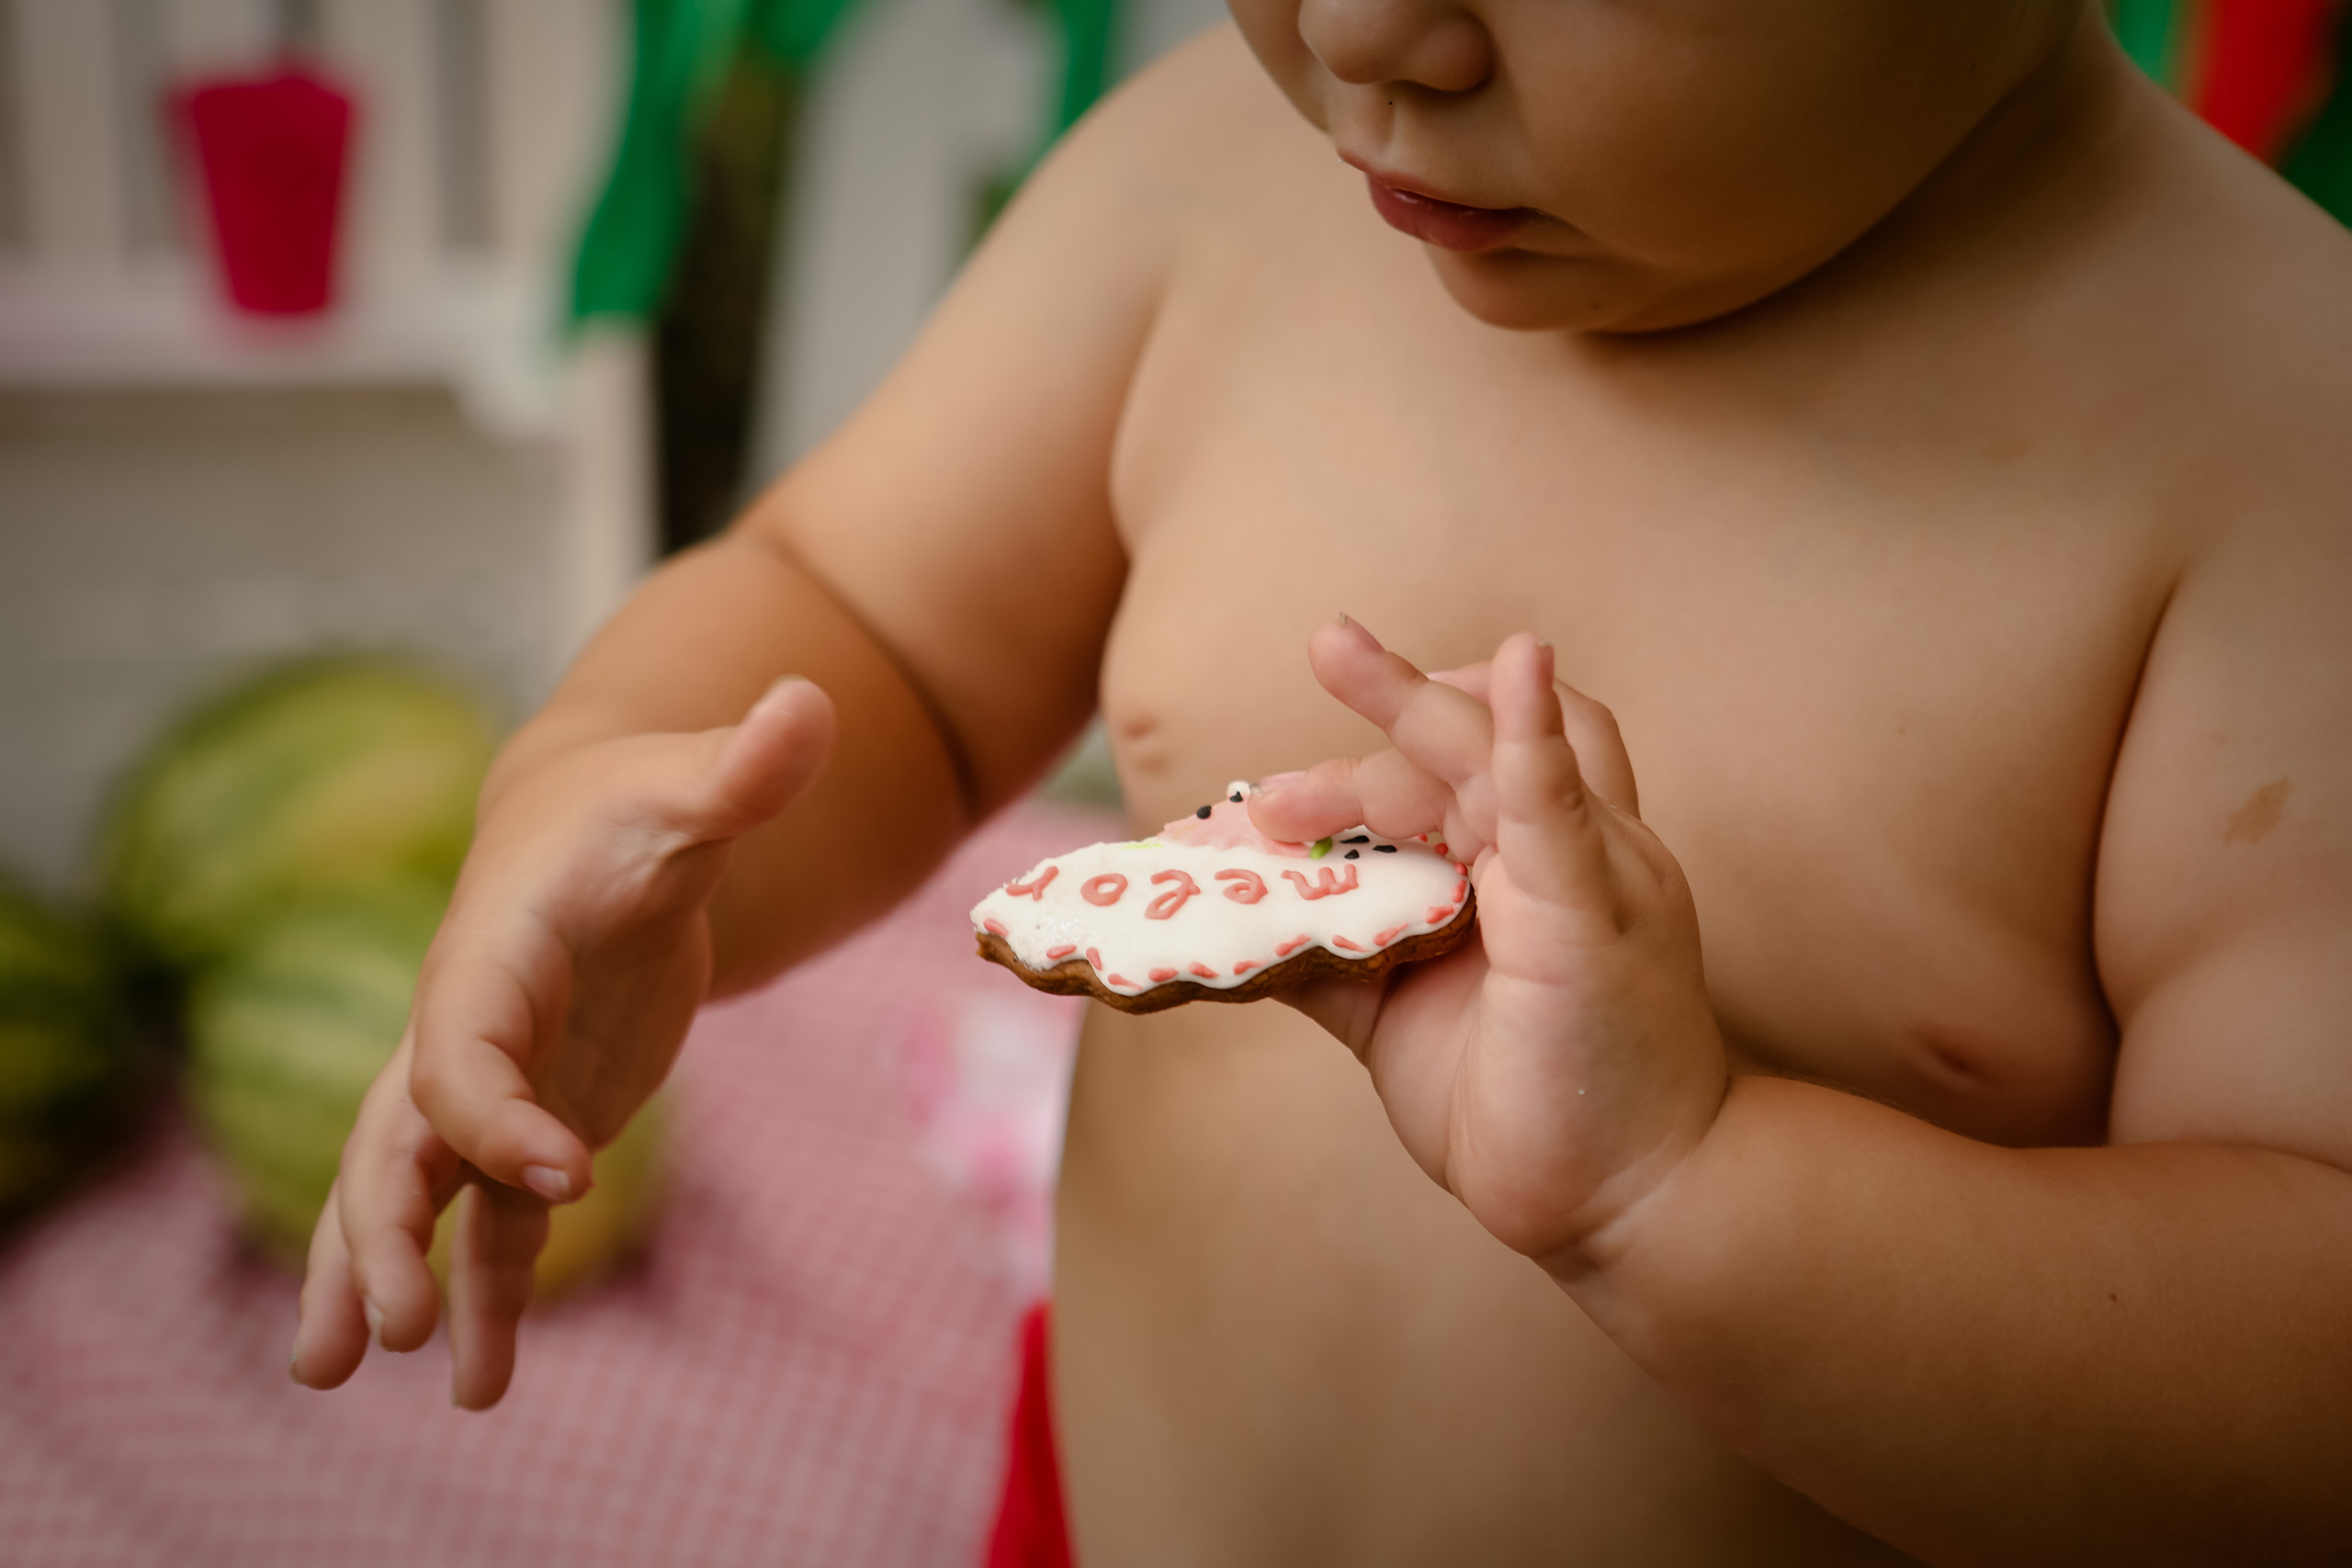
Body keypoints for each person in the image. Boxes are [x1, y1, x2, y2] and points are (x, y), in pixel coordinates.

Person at [289, 1, 2352, 1561]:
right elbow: (870, 624)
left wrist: (1684, 1191)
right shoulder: (1212, 186)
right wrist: (611, 799)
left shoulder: (2275, 457)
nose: (1361, 27)